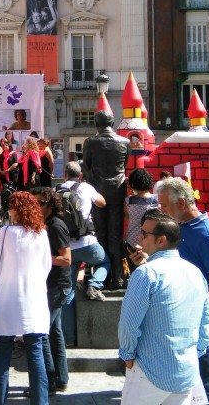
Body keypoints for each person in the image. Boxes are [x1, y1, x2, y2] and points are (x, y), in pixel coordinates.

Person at [119, 210, 209, 403]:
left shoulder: (146, 274)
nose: (140, 238)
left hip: (150, 372)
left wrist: (127, 354)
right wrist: (196, 354)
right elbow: (204, 324)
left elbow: (128, 323)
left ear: (161, 240)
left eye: (144, 234)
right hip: (186, 371)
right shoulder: (195, 272)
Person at [155, 177, 209, 405]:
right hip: (182, 316)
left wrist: (186, 301)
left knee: (202, 383)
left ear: (183, 204)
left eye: (164, 205)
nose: (161, 210)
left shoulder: (204, 233)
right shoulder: (182, 226)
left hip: (198, 319)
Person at [0, 191, 52, 405]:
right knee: (36, 354)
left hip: (8, 297)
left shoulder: (6, 232)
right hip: (33, 298)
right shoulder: (42, 233)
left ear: (17, 210)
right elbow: (47, 266)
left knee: (2, 353)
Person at [82, 109, 131, 289]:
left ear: (97, 124)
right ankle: (118, 278)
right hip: (117, 191)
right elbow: (124, 167)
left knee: (101, 234)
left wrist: (93, 179)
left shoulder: (91, 142)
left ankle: (102, 276)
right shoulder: (125, 142)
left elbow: (86, 168)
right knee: (116, 235)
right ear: (112, 123)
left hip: (98, 193)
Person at [32, 187, 72, 394]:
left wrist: (40, 258)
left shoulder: (56, 226)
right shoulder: (47, 224)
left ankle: (48, 382)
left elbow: (66, 259)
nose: (35, 208)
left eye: (39, 203)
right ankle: (61, 378)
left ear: (49, 205)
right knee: (55, 332)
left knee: (42, 332)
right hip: (53, 284)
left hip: (58, 286)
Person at [61, 161, 108, 301]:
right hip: (88, 242)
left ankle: (67, 323)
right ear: (80, 175)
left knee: (69, 290)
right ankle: (94, 285)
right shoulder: (86, 187)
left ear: (65, 174)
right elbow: (102, 202)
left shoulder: (57, 189)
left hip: (67, 248)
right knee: (104, 261)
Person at [124, 168, 158, 249]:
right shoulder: (157, 200)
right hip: (151, 242)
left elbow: (127, 216)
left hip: (132, 241)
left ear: (132, 184)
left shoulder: (128, 201)